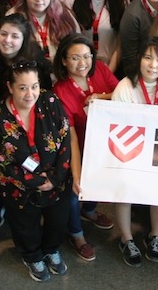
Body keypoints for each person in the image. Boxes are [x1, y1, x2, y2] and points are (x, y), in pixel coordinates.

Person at [0, 60, 72, 282]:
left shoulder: (50, 101)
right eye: (23, 87)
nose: (30, 93)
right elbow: (2, 160)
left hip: (57, 179)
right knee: (25, 224)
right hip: (20, 186)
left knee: (57, 220)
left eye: (34, 86)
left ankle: (51, 249)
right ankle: (32, 255)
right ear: (10, 87)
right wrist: (34, 181)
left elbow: (65, 139)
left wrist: (55, 178)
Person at [112, 37, 158, 266]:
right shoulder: (125, 86)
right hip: (130, 151)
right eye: (148, 57)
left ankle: (154, 235)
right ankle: (126, 238)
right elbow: (115, 124)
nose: (153, 64)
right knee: (124, 191)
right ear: (139, 59)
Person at [52, 34, 118, 261]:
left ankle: (89, 211)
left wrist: (101, 96)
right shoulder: (59, 91)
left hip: (105, 144)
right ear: (63, 60)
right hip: (77, 146)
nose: (83, 63)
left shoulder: (99, 69)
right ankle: (76, 234)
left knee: (97, 185)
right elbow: (70, 137)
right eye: (75, 58)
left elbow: (122, 95)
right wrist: (77, 173)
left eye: (87, 56)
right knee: (74, 191)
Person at [64, 0, 127, 73]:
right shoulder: (72, 0)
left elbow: (120, 44)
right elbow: (71, 40)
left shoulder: (120, 1)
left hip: (111, 67)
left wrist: (108, 72)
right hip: (81, 67)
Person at [0, 14, 52, 104]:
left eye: (15, 36)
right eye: (3, 34)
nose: (7, 40)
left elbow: (44, 91)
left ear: (23, 40)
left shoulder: (35, 61)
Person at [8, 0, 79, 62]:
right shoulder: (14, 15)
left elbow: (77, 44)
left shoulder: (63, 12)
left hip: (61, 69)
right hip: (28, 71)